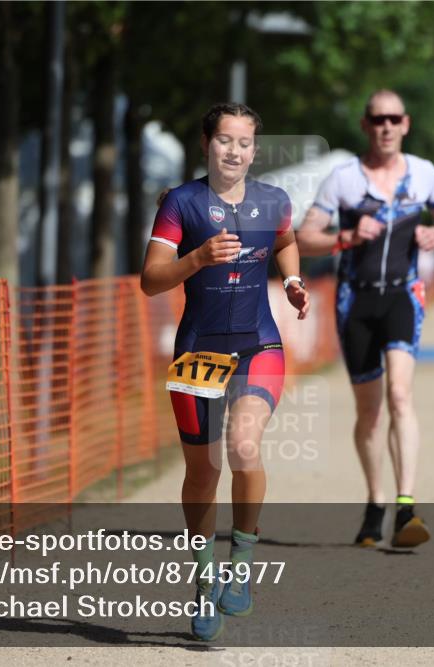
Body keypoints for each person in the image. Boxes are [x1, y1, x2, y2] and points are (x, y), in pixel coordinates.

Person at [140, 102, 309, 641]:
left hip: (259, 343)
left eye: (244, 143)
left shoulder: (273, 201)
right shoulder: (180, 204)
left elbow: (285, 241)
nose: (233, 151)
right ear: (206, 143)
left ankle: (241, 563)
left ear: (255, 150)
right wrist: (198, 258)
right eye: (224, 141)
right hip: (198, 352)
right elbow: (150, 280)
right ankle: (202, 579)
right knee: (203, 472)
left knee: (243, 446)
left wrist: (291, 282)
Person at [295, 90, 434, 548]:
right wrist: (345, 235)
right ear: (366, 125)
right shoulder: (343, 180)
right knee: (369, 413)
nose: (386, 126)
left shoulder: (424, 173)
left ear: (406, 124)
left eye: (394, 119)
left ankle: (407, 508)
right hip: (356, 300)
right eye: (378, 119)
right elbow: (303, 238)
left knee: (401, 395)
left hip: (402, 295)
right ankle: (375, 503)